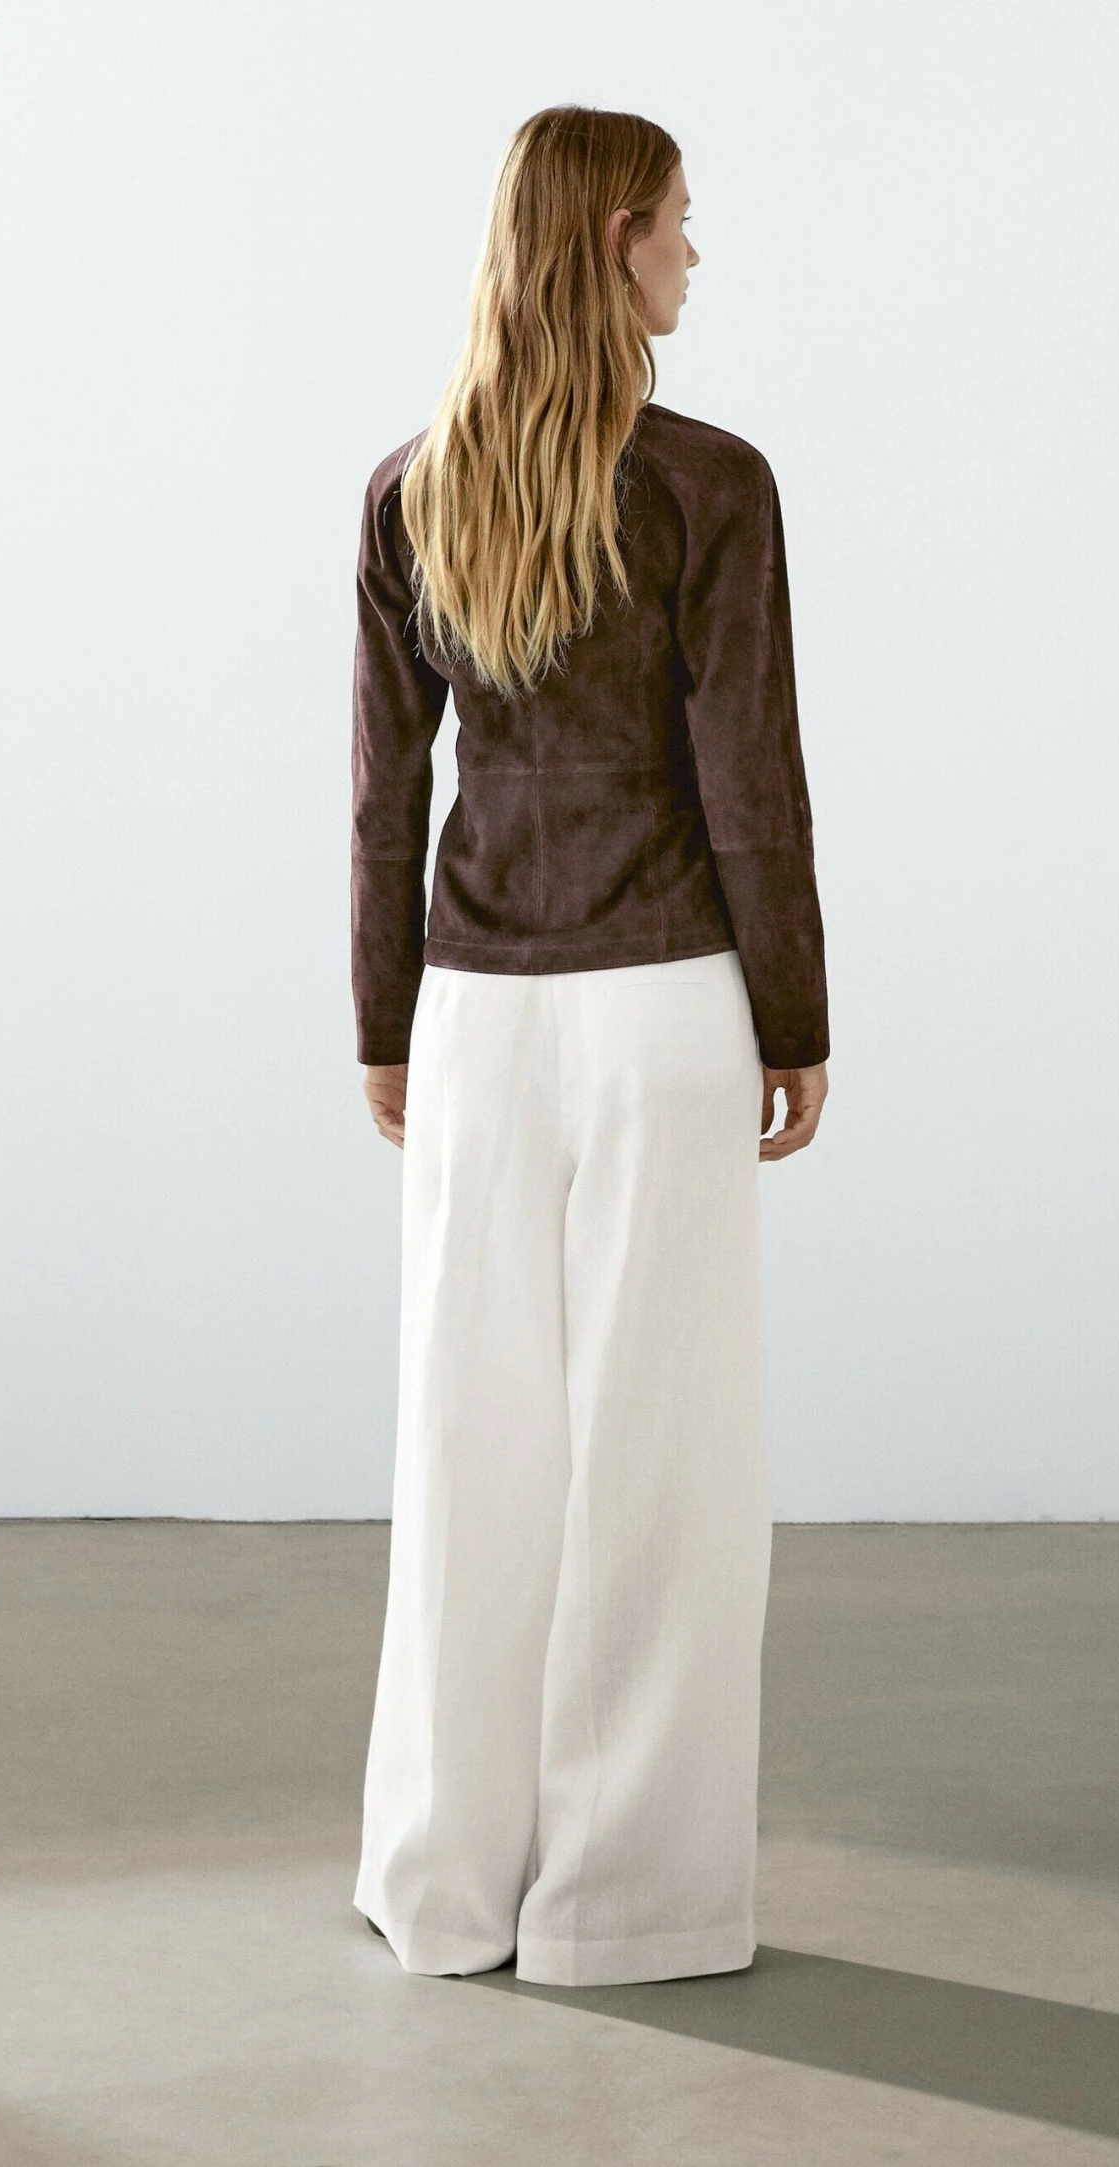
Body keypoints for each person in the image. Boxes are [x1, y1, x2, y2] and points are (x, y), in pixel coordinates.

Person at [348, 104, 830, 1989]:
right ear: (615, 238)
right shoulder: (712, 484)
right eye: (681, 223)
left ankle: (446, 1883)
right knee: (658, 1453)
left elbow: (385, 795)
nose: (698, 253)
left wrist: (382, 1017)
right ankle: (624, 1907)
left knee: (466, 1440)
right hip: (663, 1005)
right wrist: (795, 1017)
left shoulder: (412, 488)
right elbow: (751, 786)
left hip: (473, 1007)